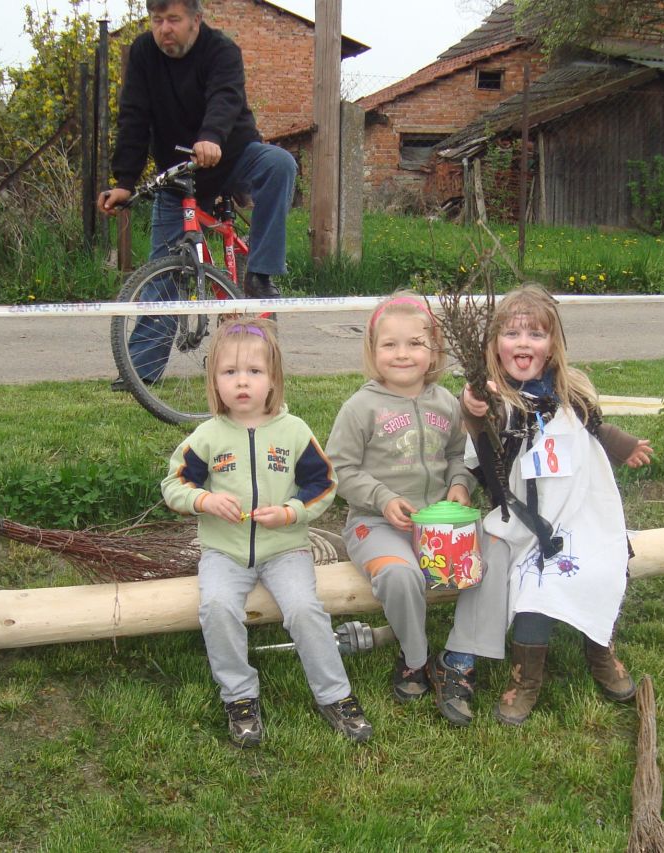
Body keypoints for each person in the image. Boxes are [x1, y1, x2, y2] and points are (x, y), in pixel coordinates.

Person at [430, 284, 654, 727]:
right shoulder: (496, 398)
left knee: (605, 565)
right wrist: (474, 410)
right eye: (512, 334)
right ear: (495, 344)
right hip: (529, 522)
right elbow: (485, 442)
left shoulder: (570, 392)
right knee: (535, 587)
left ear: (552, 346)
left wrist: (625, 446)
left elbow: (595, 427)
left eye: (535, 334)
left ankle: (600, 650)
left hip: (580, 512)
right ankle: (526, 679)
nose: (524, 343)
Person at [160, 318, 372, 747]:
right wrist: (204, 500)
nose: (242, 382)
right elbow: (174, 485)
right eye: (229, 372)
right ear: (214, 381)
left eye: (254, 371)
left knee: (305, 610)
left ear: (273, 379)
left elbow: (324, 484)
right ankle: (239, 696)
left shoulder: (294, 433)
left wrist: (292, 512)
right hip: (224, 553)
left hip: (286, 551)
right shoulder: (207, 436)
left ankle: (335, 695)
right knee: (216, 607)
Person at [99, 0, 296, 383]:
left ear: (196, 21)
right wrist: (124, 182)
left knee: (279, 164)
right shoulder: (143, 54)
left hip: (232, 155)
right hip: (181, 172)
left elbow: (225, 97)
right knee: (162, 271)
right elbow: (134, 116)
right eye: (157, 20)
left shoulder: (221, 50)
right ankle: (141, 372)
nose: (164, 29)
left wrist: (211, 137)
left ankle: (260, 272)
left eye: (173, 19)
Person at [324, 292, 475, 703]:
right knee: (400, 576)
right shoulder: (360, 408)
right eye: (390, 344)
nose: (403, 354)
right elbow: (337, 468)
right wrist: (382, 498)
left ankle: (464, 651)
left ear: (434, 351)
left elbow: (458, 454)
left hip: (439, 523)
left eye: (415, 343)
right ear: (373, 351)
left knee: (490, 560)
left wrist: (460, 484)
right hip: (375, 525)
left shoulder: (446, 403)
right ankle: (415, 656)